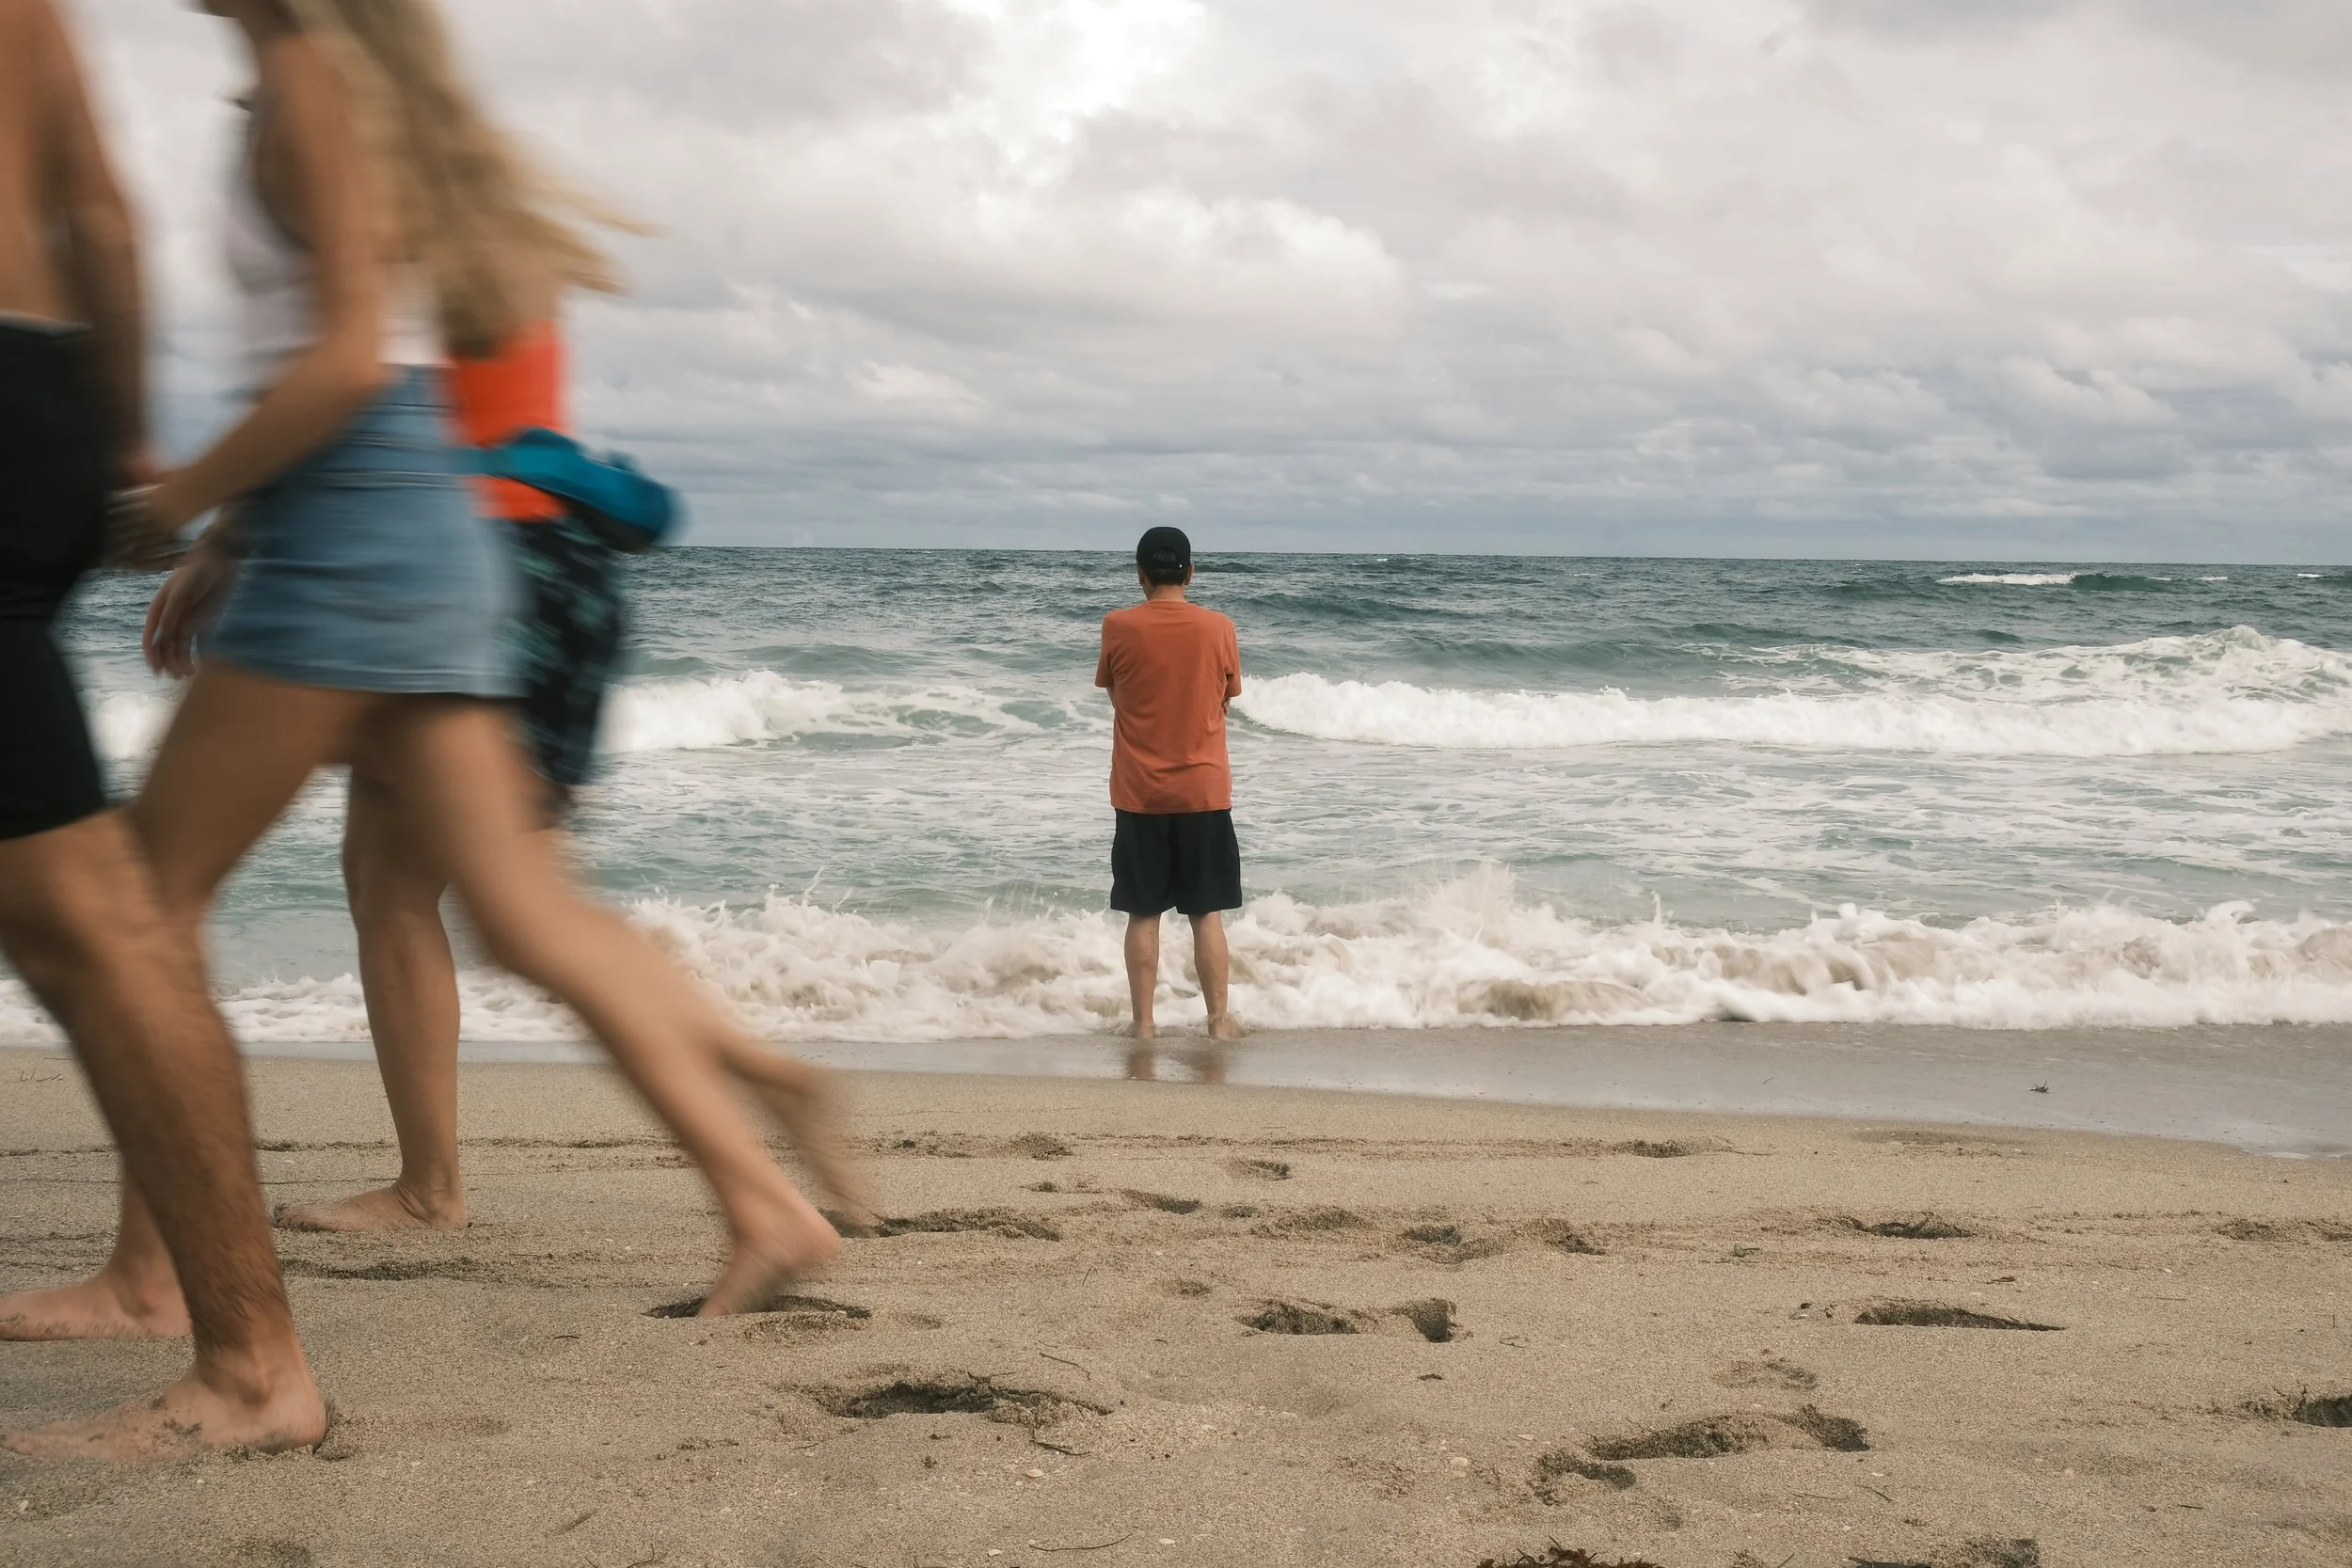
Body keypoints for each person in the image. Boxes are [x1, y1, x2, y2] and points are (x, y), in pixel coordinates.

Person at [0, 0, 843, 1352]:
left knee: (141, 913)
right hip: (412, 541)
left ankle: (148, 1275)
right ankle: (764, 1201)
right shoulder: (295, 79)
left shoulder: (310, 82)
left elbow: (347, 361)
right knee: (520, 913)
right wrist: (227, 527)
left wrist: (185, 505)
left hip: (355, 553)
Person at [270, 310, 869, 1235]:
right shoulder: (497, 235)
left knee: (510, 912)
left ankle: (746, 1106)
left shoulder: (394, 215)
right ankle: (749, 1086)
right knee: (411, 880)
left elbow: (350, 383)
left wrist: (246, 536)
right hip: (564, 565)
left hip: (463, 562)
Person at [0, 0, 326, 1458]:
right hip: (34, 383)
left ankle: (254, 1362)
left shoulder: (312, 92)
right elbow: (99, 214)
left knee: (87, 909)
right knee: (90, 908)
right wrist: (116, 444)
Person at [1094, 526, 1246, 1069]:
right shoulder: (1218, 627)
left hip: (1139, 794)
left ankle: (1144, 1025)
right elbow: (1227, 694)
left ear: (1139, 573)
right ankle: (1219, 1022)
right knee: (1206, 914)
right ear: (1189, 572)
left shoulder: (1118, 625)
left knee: (1143, 913)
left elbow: (1115, 691)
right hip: (1204, 791)